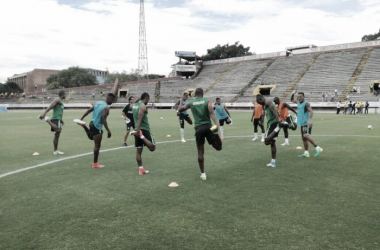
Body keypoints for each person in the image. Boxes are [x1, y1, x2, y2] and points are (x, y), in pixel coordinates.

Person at [178, 88, 222, 180]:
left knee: (200, 152)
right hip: (208, 126)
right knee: (218, 147)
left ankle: (203, 174)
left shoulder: (191, 102)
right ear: (203, 94)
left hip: (199, 128)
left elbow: (180, 109)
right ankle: (216, 133)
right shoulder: (207, 101)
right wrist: (216, 124)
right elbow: (211, 112)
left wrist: (182, 99)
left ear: (195, 94)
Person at [75, 93, 116, 168]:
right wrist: (108, 130)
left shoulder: (98, 103)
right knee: (97, 145)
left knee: (91, 137)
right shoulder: (106, 107)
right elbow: (104, 119)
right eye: (112, 100)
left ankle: (84, 126)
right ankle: (95, 164)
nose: (112, 102)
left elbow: (88, 111)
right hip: (97, 126)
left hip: (92, 123)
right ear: (109, 99)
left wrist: (81, 118)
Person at [290, 90, 323, 158]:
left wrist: (309, 120)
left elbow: (311, 112)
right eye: (298, 96)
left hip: (306, 123)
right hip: (302, 123)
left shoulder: (306, 104)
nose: (299, 98)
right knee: (303, 138)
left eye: (301, 96)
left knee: (305, 136)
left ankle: (318, 148)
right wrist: (293, 94)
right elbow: (292, 100)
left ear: (304, 97)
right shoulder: (298, 102)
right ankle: (306, 152)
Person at [130, 92, 156, 175]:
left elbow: (132, 105)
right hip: (144, 129)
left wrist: (136, 130)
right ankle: (141, 136)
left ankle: (141, 169)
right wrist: (139, 132)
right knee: (152, 147)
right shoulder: (142, 106)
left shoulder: (134, 105)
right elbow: (140, 118)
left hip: (136, 129)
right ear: (146, 99)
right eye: (148, 100)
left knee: (139, 151)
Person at [256, 95, 283, 167]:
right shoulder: (265, 104)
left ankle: (278, 127)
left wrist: (278, 122)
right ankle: (273, 162)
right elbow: (264, 113)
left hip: (273, 124)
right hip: (272, 123)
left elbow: (274, 111)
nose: (259, 104)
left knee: (266, 141)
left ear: (261, 99)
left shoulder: (268, 102)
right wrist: (261, 120)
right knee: (272, 143)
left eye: (259, 102)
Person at [38, 90, 66, 155]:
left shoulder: (61, 101)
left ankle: (55, 151)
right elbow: (51, 106)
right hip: (55, 118)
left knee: (57, 135)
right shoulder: (57, 99)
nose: (65, 96)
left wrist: (61, 120)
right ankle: (47, 120)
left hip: (58, 119)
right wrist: (44, 113)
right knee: (58, 130)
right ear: (62, 94)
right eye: (65, 94)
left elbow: (59, 111)